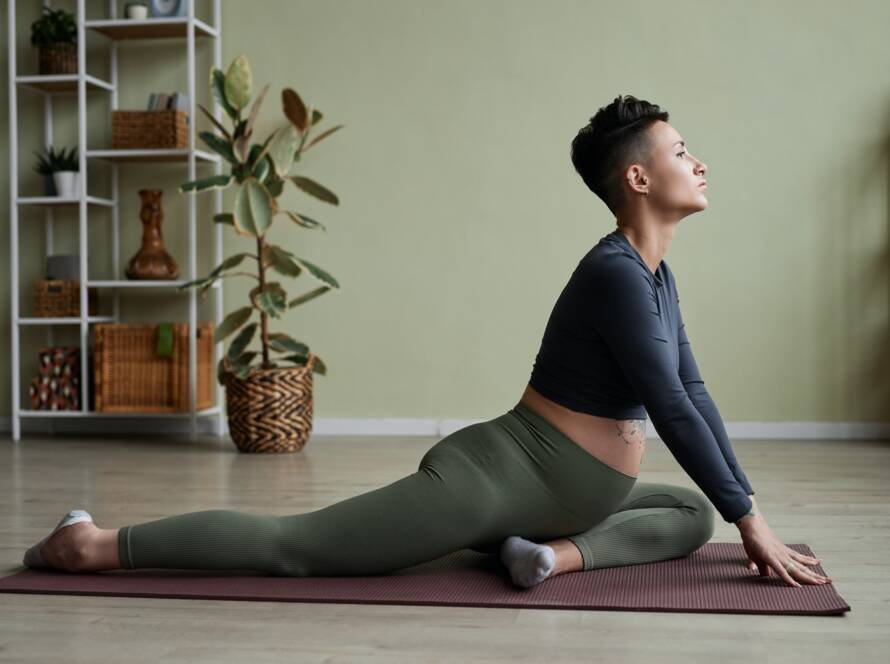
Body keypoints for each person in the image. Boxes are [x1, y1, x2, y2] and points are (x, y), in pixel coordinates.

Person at [23, 95, 830, 590]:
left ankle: (544, 557)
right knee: (298, 548)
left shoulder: (655, 275)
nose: (701, 161)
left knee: (692, 515)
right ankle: (93, 545)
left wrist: (742, 511)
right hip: (495, 479)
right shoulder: (615, 272)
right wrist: (753, 522)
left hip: (571, 498)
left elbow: (695, 394)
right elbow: (668, 405)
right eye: (683, 151)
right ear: (640, 179)